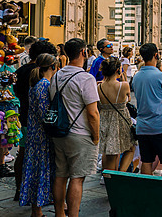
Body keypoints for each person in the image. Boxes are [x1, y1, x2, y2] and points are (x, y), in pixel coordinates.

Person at [49, 37, 100, 217]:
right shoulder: (86, 78)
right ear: (83, 52)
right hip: (80, 134)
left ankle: (59, 213)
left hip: (58, 132)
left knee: (60, 175)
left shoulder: (56, 76)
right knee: (77, 179)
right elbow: (93, 113)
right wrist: (96, 137)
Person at [14, 40, 58, 201]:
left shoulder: (21, 71)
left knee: (23, 154)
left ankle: (20, 189)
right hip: (37, 123)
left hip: (24, 117)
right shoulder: (42, 80)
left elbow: (17, 92)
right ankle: (37, 193)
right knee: (38, 160)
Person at [131, 43, 162, 178]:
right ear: (156, 55)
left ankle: (148, 188)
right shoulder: (161, 76)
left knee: (146, 159)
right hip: (161, 124)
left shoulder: (137, 76)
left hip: (143, 126)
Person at [97, 57, 134, 175]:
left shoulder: (99, 87)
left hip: (105, 119)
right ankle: (119, 174)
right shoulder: (124, 85)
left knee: (108, 151)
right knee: (130, 147)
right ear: (118, 70)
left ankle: (108, 176)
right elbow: (128, 99)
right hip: (120, 119)